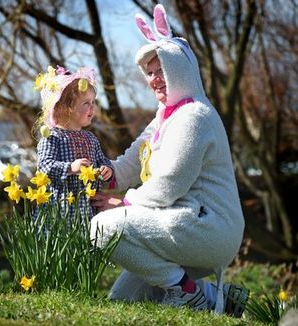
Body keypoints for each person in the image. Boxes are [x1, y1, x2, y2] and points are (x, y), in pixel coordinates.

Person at [90, 5, 248, 317]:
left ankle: (189, 293)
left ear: (180, 69)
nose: (154, 80)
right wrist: (101, 176)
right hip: (181, 223)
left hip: (207, 228)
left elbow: (169, 185)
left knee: (103, 229)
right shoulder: (166, 116)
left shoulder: (194, 116)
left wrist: (124, 204)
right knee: (122, 302)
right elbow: (132, 162)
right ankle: (217, 298)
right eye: (149, 73)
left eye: (161, 70)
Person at [34, 65, 113, 220]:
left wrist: (106, 170)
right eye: (86, 103)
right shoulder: (52, 137)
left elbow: (101, 160)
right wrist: (70, 167)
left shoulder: (90, 138)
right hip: (60, 211)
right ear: (66, 108)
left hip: (88, 209)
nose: (93, 108)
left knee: (87, 241)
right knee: (64, 243)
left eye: (93, 102)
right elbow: (44, 167)